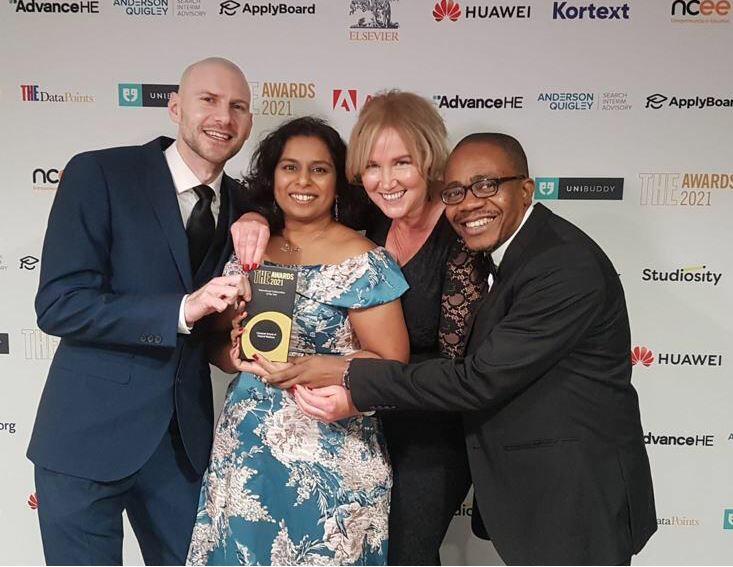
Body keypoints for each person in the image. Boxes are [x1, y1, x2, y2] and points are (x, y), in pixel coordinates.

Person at [286, 133, 658, 565]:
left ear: (525, 188)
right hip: (540, 489)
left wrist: (349, 374)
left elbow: (478, 379)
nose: (469, 204)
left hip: (575, 496)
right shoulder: (512, 252)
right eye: (456, 192)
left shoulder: (561, 265)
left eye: (487, 185)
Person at [27, 57, 269, 565]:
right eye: (208, 100)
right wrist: (182, 308)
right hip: (87, 437)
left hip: (183, 446)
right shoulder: (101, 173)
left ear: (249, 123)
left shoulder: (247, 205)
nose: (223, 117)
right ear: (176, 107)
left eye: (238, 107)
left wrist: (230, 351)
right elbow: (59, 304)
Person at [230, 91, 474, 566]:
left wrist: (341, 376)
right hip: (351, 417)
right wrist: (254, 217)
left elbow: (461, 368)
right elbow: (296, 210)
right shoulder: (375, 221)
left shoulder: (460, 235)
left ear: (429, 161)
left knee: (405, 555)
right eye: (373, 167)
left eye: (402, 163)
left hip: (428, 427)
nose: (387, 181)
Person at [186, 117, 410, 566]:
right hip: (246, 453)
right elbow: (215, 346)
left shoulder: (366, 261)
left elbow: (391, 367)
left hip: (330, 455)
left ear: (338, 182)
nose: (303, 181)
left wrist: (319, 366)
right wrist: (231, 354)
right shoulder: (248, 250)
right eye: (290, 167)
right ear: (272, 177)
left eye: (319, 169)